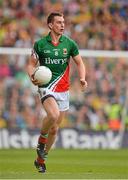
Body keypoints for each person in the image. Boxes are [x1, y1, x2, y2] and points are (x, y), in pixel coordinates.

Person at [27, 12, 87, 173]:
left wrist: (82, 78)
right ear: (50, 25)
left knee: (55, 129)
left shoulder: (69, 44)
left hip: (63, 90)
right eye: (59, 22)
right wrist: (32, 75)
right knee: (52, 115)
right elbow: (31, 65)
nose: (62, 25)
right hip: (46, 86)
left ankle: (40, 159)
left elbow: (80, 63)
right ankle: (41, 141)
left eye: (63, 22)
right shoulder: (40, 44)